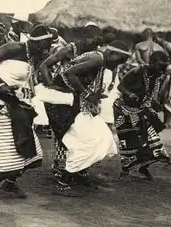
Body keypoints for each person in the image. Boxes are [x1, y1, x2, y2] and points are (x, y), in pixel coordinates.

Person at [0, 24, 53, 205]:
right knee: (9, 152)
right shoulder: (14, 47)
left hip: (12, 104)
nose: (48, 48)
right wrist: (0, 83)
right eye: (46, 44)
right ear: (35, 42)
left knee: (30, 147)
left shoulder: (34, 57)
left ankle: (9, 182)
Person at [40, 41, 131, 195]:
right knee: (84, 141)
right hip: (62, 102)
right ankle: (64, 181)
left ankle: (79, 175)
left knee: (104, 136)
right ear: (111, 54)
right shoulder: (98, 59)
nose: (118, 65)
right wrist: (88, 95)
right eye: (120, 60)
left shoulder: (100, 60)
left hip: (71, 102)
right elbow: (68, 74)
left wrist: (92, 97)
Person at [38, 22, 104, 177]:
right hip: (63, 97)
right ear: (84, 38)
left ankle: (79, 165)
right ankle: (61, 167)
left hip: (79, 97)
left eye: (98, 43)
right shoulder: (69, 49)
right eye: (93, 41)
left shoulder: (93, 54)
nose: (96, 46)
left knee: (81, 131)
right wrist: (51, 87)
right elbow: (44, 66)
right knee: (64, 132)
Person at [114, 51, 171, 181]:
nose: (161, 71)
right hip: (124, 110)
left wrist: (155, 103)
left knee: (149, 140)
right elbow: (120, 86)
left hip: (141, 109)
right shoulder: (137, 71)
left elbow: (148, 94)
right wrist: (129, 94)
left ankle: (143, 168)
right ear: (151, 63)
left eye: (163, 68)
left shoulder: (157, 76)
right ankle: (125, 170)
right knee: (128, 141)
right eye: (159, 67)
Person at [153, 33, 171, 128]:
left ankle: (167, 122)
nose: (155, 39)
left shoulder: (169, 46)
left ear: (161, 37)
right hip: (164, 74)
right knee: (162, 96)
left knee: (170, 96)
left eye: (156, 37)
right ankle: (164, 121)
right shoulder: (160, 47)